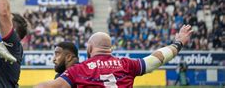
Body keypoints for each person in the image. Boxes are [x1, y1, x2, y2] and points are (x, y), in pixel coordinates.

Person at [35, 25, 193, 88]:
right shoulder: (126, 64)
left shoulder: (79, 70)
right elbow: (155, 59)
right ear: (109, 48)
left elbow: (49, 87)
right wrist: (178, 43)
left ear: (90, 48)